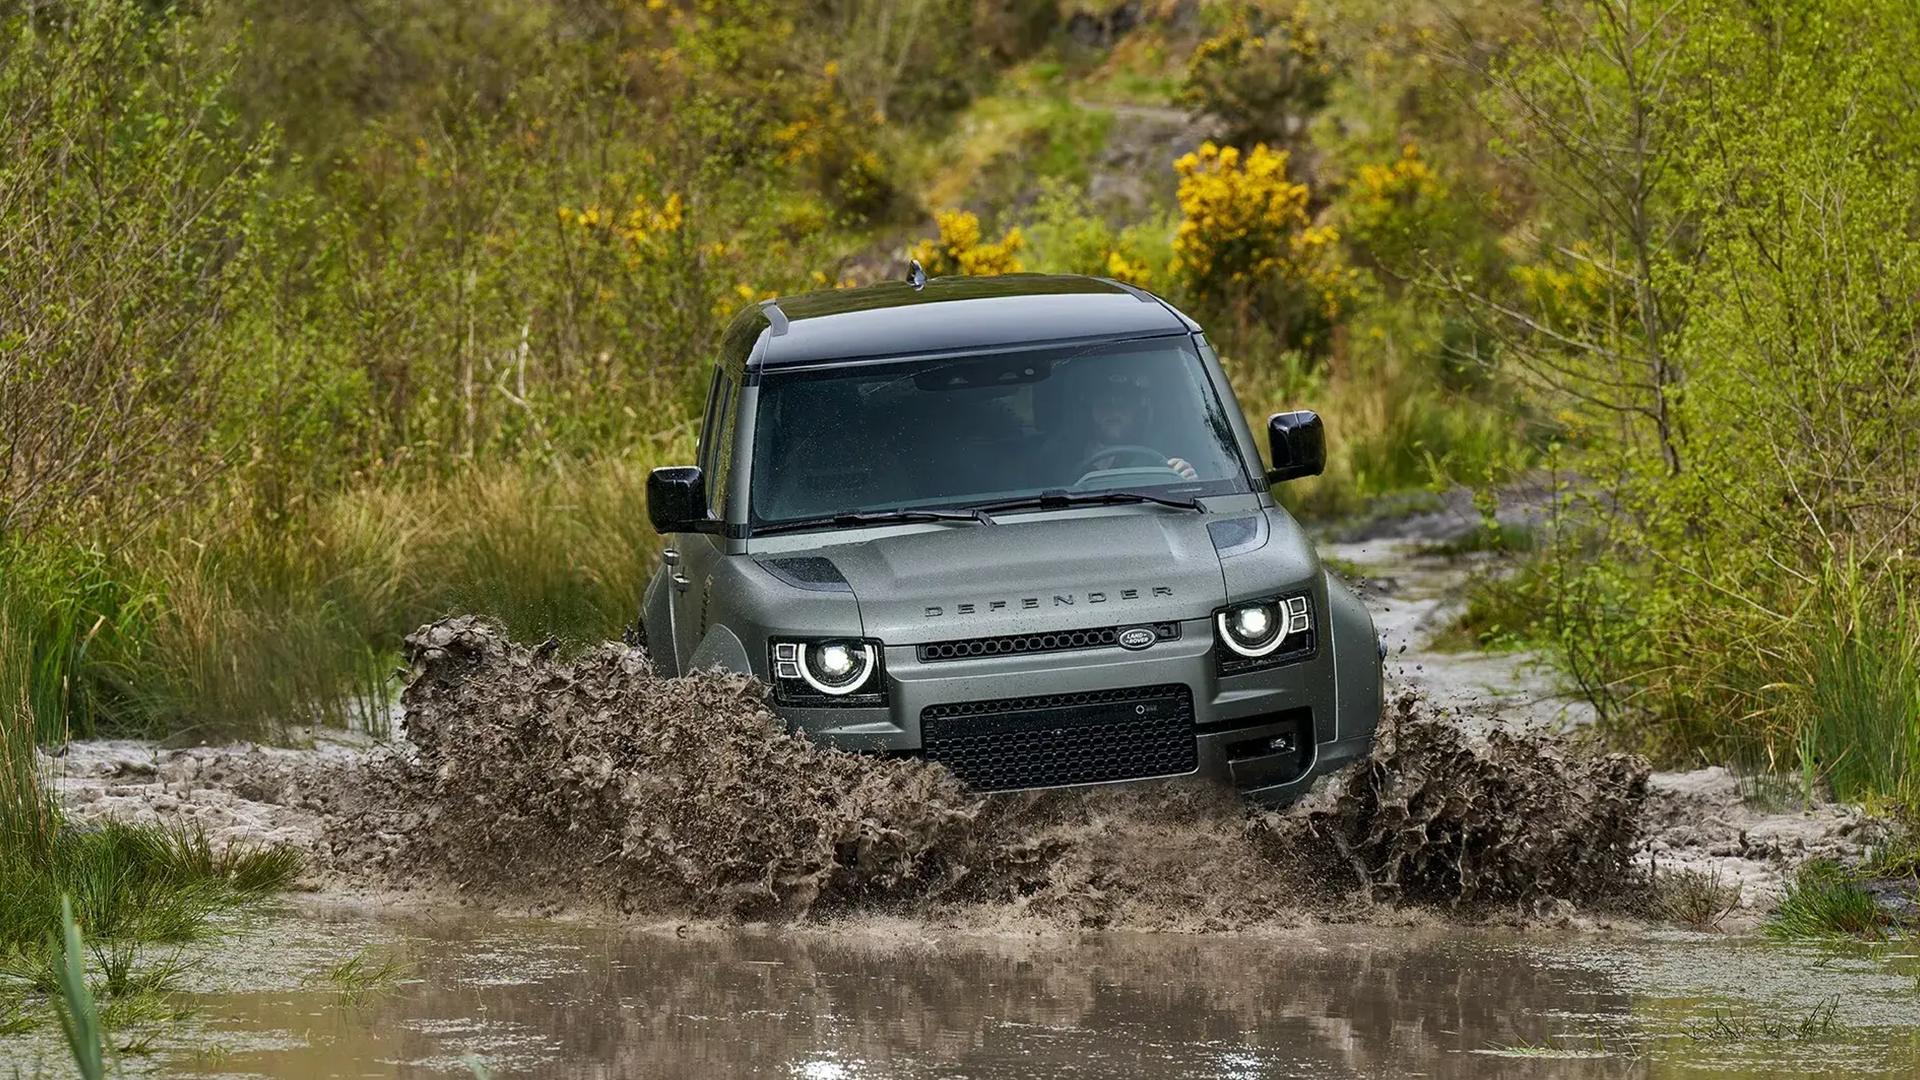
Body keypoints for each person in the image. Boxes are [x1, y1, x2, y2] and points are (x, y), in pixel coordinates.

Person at [1063, 368, 1200, 483]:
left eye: (1123, 402)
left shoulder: (1165, 454)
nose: (1114, 410)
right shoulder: (1060, 454)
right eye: (1104, 401)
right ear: (1089, 408)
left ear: (1138, 409)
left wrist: (1187, 480)